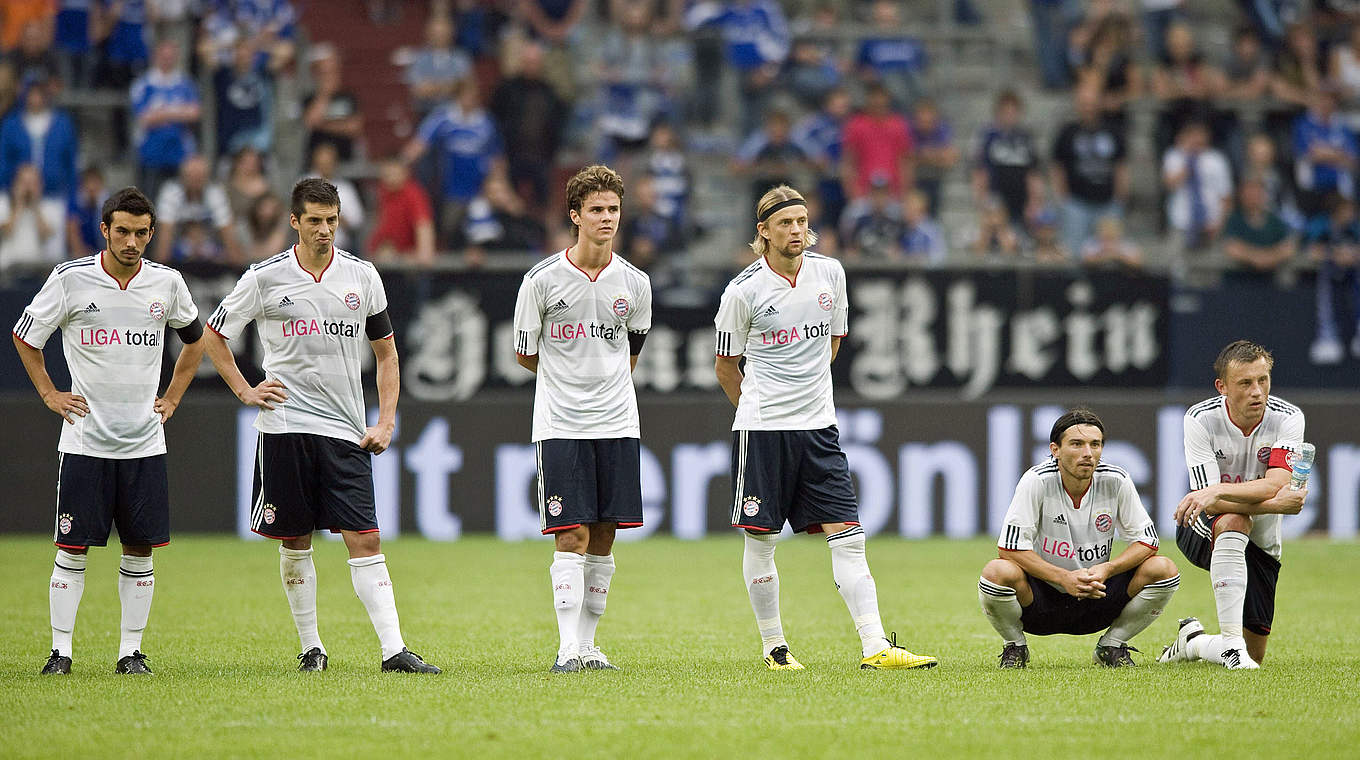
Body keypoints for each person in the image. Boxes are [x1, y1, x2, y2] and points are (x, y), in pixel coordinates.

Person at [201, 178, 439, 675]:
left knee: (365, 539)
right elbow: (213, 335)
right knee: (295, 539)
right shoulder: (265, 277)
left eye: (332, 220)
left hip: (346, 428)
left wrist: (387, 420)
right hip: (284, 425)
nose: (325, 230)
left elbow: (387, 353)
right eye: (314, 220)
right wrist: (246, 390)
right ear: (295, 221)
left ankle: (394, 650)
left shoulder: (362, 276)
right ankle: (312, 647)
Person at [715, 184, 937, 672]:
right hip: (763, 431)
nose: (797, 231)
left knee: (849, 535)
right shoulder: (743, 291)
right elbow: (727, 366)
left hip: (820, 428)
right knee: (762, 539)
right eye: (785, 223)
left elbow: (833, 342)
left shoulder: (830, 274)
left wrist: (806, 397)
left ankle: (876, 645)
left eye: (801, 221)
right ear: (764, 231)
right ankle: (775, 647)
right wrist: (758, 406)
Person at [11, 186, 206, 676]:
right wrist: (51, 395)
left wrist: (175, 397)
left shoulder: (167, 283)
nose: (132, 242)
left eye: (142, 233)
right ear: (105, 230)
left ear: (152, 233)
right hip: (85, 441)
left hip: (144, 442)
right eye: (123, 231)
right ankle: (61, 652)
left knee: (139, 550)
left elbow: (196, 340)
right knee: (72, 549)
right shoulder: (71, 280)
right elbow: (25, 335)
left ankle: (130, 652)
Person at [512, 165, 652, 673]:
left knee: (605, 534)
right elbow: (526, 354)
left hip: (618, 423)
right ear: (575, 216)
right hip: (562, 424)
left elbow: (631, 352)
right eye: (596, 210)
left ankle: (589, 645)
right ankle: (567, 646)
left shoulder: (635, 283)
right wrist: (569, 379)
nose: (606, 218)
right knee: (570, 534)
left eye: (613, 209)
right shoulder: (542, 281)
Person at [979, 409, 1178, 669]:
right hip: (1042, 600)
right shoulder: (1036, 481)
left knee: (1163, 569)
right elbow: (1009, 548)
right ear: (1055, 450)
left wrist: (1108, 568)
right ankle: (1014, 646)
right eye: (1077, 444)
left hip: (1098, 594)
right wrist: (1063, 578)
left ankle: (1112, 644)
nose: (1088, 453)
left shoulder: (1116, 480)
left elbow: (1147, 541)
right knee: (996, 572)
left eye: (1095, 444)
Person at [1158, 340, 1307, 669]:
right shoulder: (1200, 419)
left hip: (1263, 541)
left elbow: (1279, 481)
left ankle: (1195, 643)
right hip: (1199, 526)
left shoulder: (1288, 418)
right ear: (1222, 387)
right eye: (1245, 383)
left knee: (1257, 654)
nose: (1257, 391)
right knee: (1233, 518)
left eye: (1263, 380)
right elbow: (1209, 502)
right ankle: (1231, 647)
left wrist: (1221, 492)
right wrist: (1276, 504)